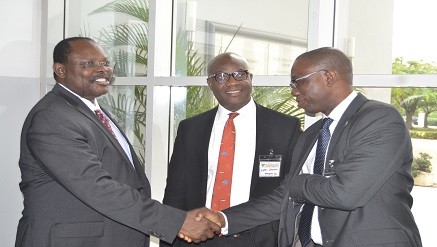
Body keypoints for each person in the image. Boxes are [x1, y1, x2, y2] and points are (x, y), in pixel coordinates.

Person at [194, 47, 422, 247]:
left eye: (298, 81)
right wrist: (223, 219)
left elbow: (345, 193)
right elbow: (283, 197)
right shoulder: (314, 133)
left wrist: (298, 183)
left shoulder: (379, 119)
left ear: (329, 77)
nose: (293, 90)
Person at [15, 37, 220, 247]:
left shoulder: (90, 111)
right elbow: (97, 187)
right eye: (88, 64)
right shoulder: (53, 117)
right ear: (60, 70)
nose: (102, 70)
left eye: (105, 63)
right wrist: (176, 223)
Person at [161, 52, 302, 247]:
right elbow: (175, 191)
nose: (232, 82)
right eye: (221, 76)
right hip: (199, 237)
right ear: (210, 83)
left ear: (250, 78)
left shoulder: (285, 127)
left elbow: (290, 190)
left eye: (240, 74)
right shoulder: (191, 128)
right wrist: (169, 238)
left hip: (259, 238)